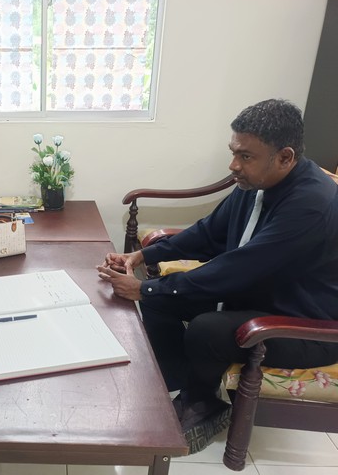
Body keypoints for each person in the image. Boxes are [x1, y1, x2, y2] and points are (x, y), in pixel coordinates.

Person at [96, 99, 338, 454]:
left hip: (304, 323)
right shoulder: (256, 183)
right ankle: (175, 381)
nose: (233, 165)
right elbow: (208, 232)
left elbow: (240, 268)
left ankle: (201, 401)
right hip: (260, 293)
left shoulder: (311, 205)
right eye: (234, 152)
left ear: (285, 157)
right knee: (161, 297)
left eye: (246, 156)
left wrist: (144, 288)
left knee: (205, 327)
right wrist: (143, 256)